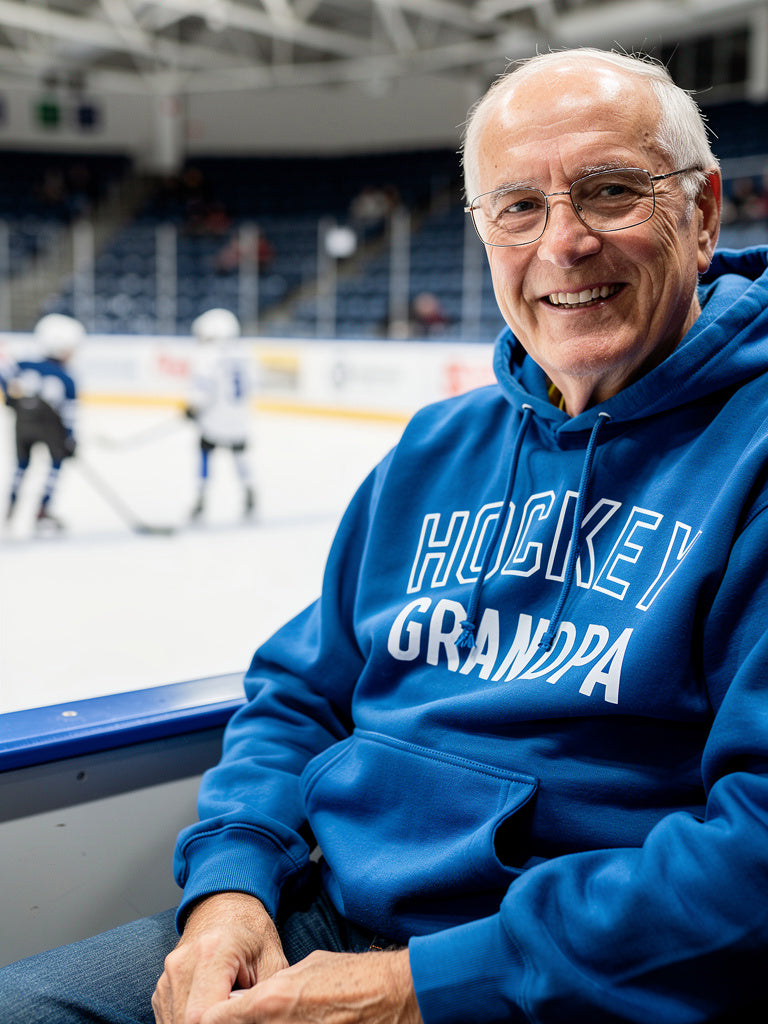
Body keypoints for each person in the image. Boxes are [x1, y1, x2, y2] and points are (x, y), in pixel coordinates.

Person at [3, 46, 768, 1024]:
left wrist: (418, 989)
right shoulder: (436, 446)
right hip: (323, 914)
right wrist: (232, 884)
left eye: (610, 191)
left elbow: (753, 857)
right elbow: (297, 693)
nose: (563, 242)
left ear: (702, 212)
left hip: (569, 973)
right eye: (518, 207)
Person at [0, 312, 83, 530]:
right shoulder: (66, 377)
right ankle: (43, 510)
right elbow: (69, 411)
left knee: (21, 465)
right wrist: (70, 437)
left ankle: (11, 504)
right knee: (55, 465)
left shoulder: (24, 364)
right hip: (51, 429)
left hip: (23, 425)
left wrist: (10, 399)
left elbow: (4, 372)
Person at [184, 308, 257, 522]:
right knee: (240, 455)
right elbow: (253, 385)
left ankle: (201, 497)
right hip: (239, 420)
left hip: (213, 421)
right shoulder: (245, 353)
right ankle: (249, 491)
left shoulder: (208, 356)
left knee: (205, 454)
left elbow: (202, 391)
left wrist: (192, 408)